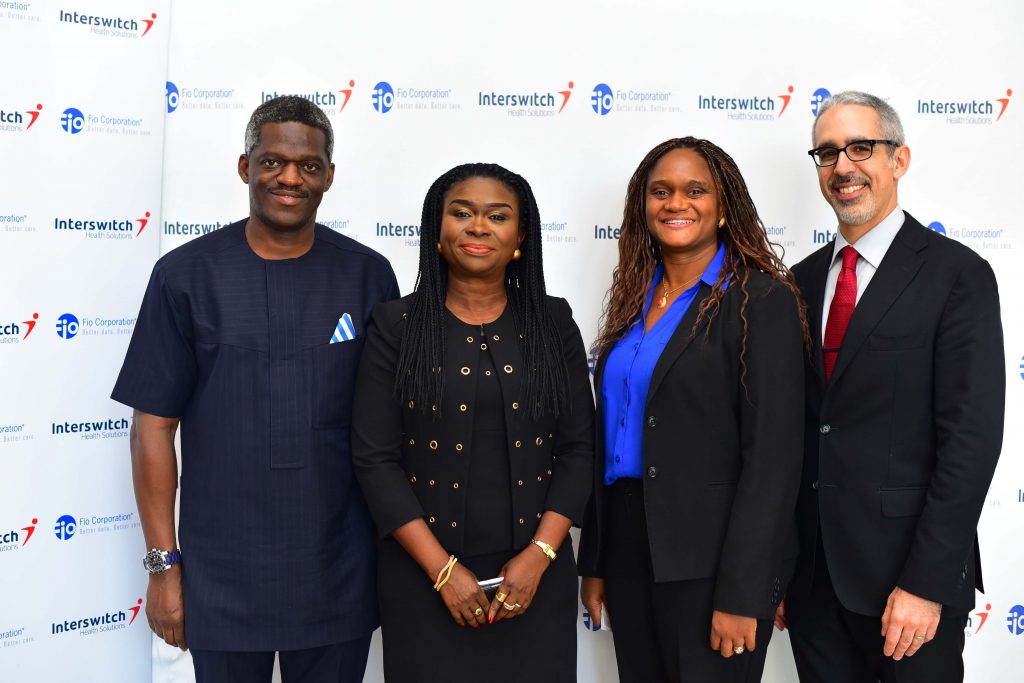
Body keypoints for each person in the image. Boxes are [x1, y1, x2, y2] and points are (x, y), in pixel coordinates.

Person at [111, 96, 399, 683]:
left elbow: (389, 427)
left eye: (308, 166)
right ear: (246, 167)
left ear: (329, 177)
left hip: (336, 571)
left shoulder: (368, 275)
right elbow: (153, 428)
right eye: (272, 162)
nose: (290, 177)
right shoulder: (185, 276)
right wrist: (164, 567)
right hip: (220, 576)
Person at [782, 91, 1005, 682]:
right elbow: (795, 432)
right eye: (827, 154)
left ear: (899, 160)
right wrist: (776, 571)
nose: (843, 167)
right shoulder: (796, 284)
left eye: (861, 148)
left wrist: (926, 584)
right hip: (812, 583)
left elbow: (971, 440)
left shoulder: (958, 275)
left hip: (908, 585)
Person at [352, 163, 594, 683]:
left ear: (520, 237)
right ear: (436, 234)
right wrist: (442, 572)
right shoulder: (396, 326)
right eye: (461, 213)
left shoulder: (554, 324)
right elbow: (375, 459)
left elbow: (578, 450)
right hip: (421, 579)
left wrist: (539, 556)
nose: (478, 226)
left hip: (537, 579)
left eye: (497, 216)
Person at [578, 137, 808, 683]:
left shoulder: (761, 301)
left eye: (694, 190)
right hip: (630, 548)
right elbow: (608, 439)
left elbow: (773, 462)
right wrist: (597, 562)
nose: (675, 202)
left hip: (713, 563)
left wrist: (743, 591)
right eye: (661, 191)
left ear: (723, 205)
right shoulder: (634, 299)